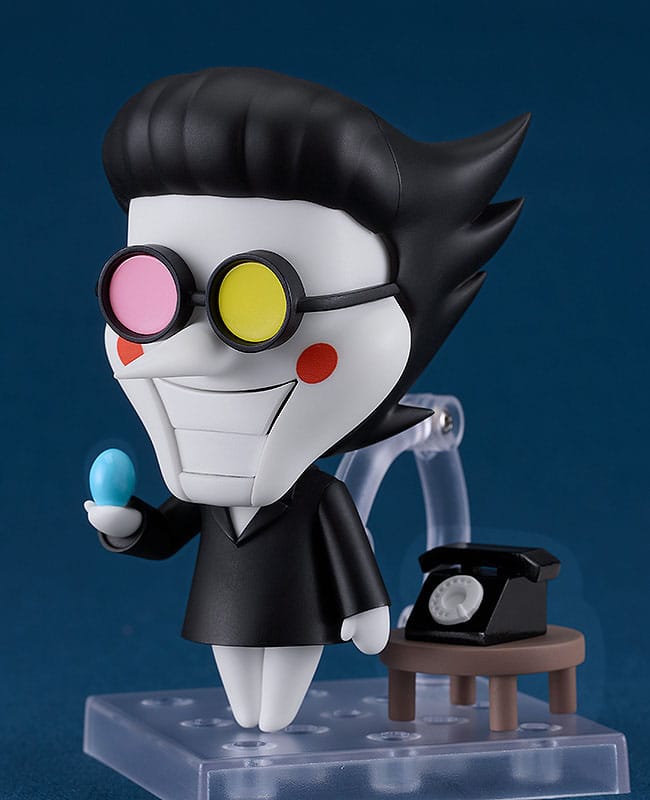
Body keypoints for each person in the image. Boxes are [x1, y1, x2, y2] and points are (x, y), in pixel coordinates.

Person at [85, 67, 529, 731]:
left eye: (256, 304)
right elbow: (170, 531)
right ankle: (255, 722)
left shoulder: (319, 496)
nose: (193, 350)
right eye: (149, 296)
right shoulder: (208, 488)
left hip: (299, 614)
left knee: (275, 703)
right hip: (225, 614)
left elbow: (348, 550)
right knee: (241, 690)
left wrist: (368, 608)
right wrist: (128, 527)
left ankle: (272, 723)